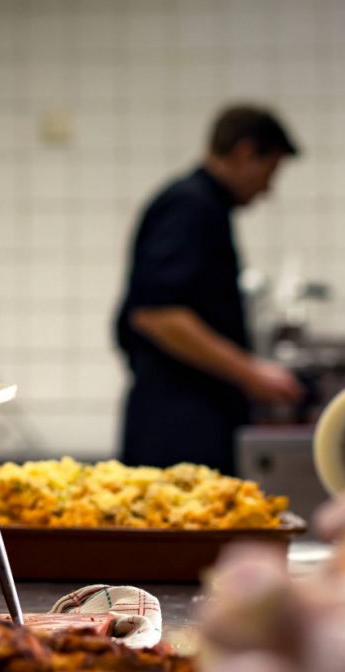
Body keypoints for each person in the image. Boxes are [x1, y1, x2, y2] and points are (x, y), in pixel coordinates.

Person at [115, 105, 302, 474]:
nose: (269, 188)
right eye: (271, 170)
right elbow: (158, 314)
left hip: (189, 416)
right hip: (177, 425)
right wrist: (252, 373)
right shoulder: (190, 206)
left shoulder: (205, 206)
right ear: (245, 152)